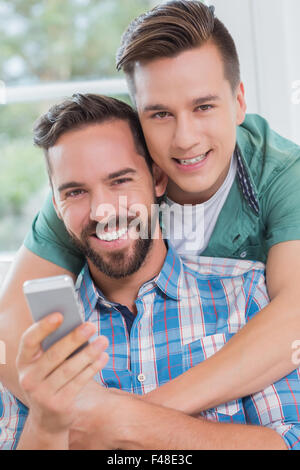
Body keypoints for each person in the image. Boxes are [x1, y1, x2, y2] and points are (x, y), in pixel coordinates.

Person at [1, 0, 300, 417]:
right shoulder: (97, 191)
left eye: (204, 106)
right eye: (159, 113)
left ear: (238, 102)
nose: (185, 138)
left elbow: (295, 319)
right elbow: (11, 328)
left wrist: (129, 421)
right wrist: (70, 410)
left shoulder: (283, 175)